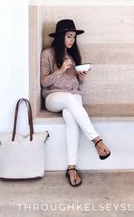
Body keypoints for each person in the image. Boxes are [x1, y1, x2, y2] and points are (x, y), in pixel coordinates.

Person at [40, 19, 111, 187]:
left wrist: (82, 77)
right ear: (60, 37)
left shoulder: (73, 55)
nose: (72, 40)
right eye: (69, 36)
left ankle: (71, 167)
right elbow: (44, 82)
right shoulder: (47, 54)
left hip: (73, 98)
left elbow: (76, 84)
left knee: (72, 119)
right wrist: (61, 69)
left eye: (74, 37)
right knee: (71, 100)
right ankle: (97, 141)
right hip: (54, 97)